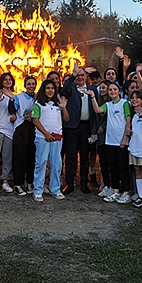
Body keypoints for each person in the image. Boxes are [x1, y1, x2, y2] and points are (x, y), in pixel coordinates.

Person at [87, 83, 132, 203]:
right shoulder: (108, 104)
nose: (112, 91)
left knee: (122, 167)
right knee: (113, 167)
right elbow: (98, 110)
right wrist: (92, 96)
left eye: (114, 89)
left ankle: (127, 191)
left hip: (121, 142)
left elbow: (128, 120)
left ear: (119, 91)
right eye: (110, 90)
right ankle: (116, 190)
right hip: (110, 141)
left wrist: (124, 138)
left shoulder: (125, 103)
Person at [61, 66, 98, 194]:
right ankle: (69, 184)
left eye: (82, 75)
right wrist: (72, 75)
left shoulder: (92, 90)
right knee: (70, 156)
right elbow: (64, 89)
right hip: (71, 127)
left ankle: (84, 183)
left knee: (84, 157)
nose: (80, 77)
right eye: (78, 75)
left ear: (86, 76)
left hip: (86, 127)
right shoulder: (70, 88)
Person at [31, 80, 69, 202]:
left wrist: (64, 109)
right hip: (43, 138)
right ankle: (38, 190)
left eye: (52, 88)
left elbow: (67, 119)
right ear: (43, 89)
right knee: (41, 163)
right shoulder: (38, 104)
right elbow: (35, 120)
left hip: (57, 138)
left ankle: (55, 189)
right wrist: (46, 133)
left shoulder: (57, 104)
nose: (50, 90)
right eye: (47, 88)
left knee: (56, 164)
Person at [11, 76, 37, 195]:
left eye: (33, 84)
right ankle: (18, 183)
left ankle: (30, 182)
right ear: (25, 86)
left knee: (31, 157)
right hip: (21, 129)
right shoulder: (19, 97)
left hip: (34, 129)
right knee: (19, 157)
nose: (31, 86)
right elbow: (11, 110)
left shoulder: (38, 97)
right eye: (29, 84)